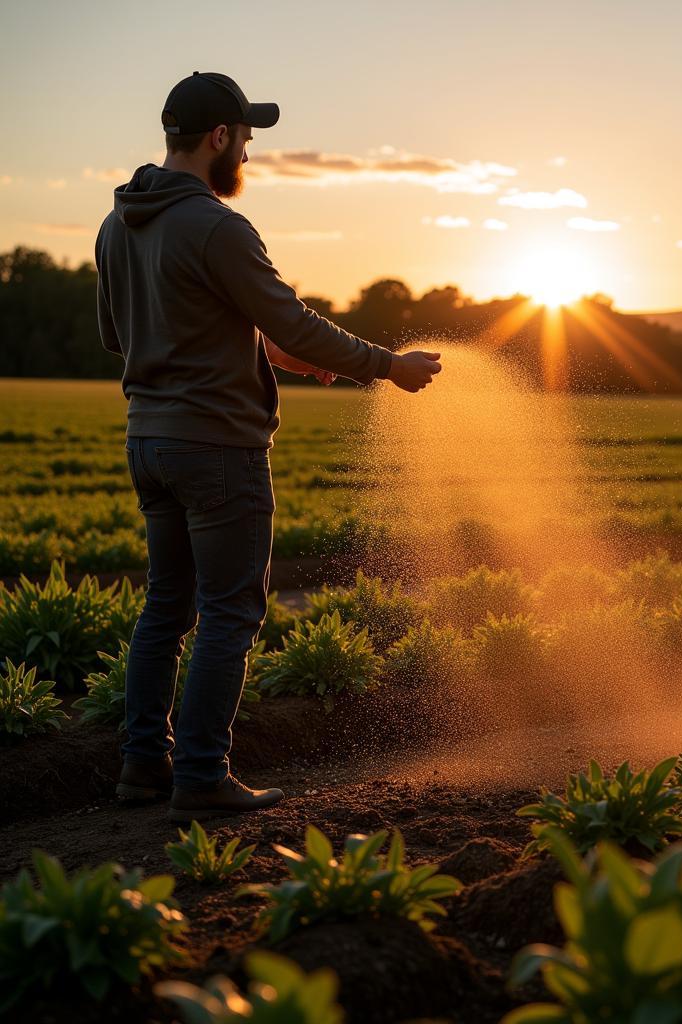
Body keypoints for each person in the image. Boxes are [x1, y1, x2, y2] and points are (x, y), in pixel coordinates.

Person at [95, 71, 441, 822]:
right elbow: (293, 321)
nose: (247, 152)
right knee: (230, 611)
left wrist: (265, 354)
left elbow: (123, 335)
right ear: (219, 137)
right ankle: (201, 776)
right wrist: (389, 366)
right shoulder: (217, 226)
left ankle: (143, 766)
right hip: (219, 449)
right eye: (246, 138)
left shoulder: (116, 224)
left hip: (148, 442)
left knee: (165, 608)